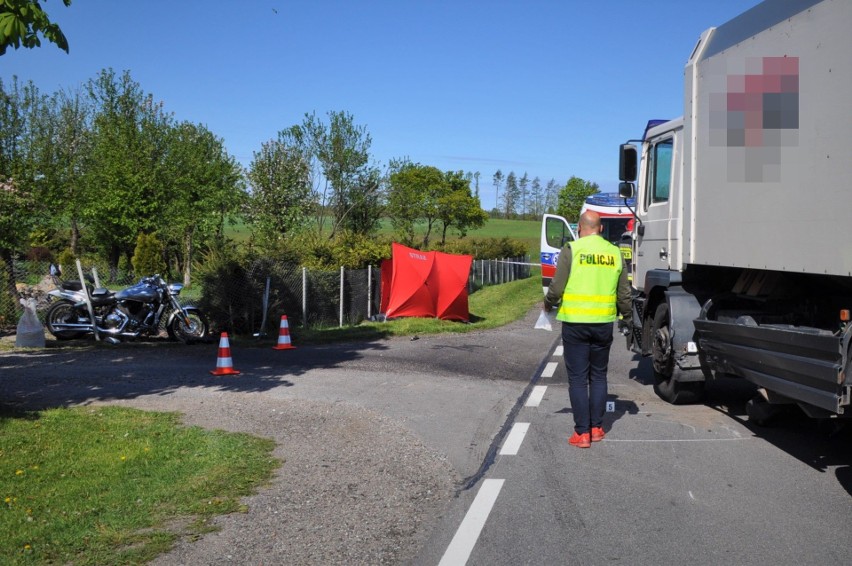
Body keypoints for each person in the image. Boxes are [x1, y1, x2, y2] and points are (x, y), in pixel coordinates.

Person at [544, 210, 632, 448]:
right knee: (599, 376)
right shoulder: (614, 253)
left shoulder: (572, 249)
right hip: (603, 324)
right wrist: (628, 316)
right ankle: (597, 428)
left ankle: (582, 433)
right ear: (601, 228)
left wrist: (548, 304)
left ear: (580, 228)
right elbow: (624, 292)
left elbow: (556, 286)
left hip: (575, 324)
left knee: (578, 379)